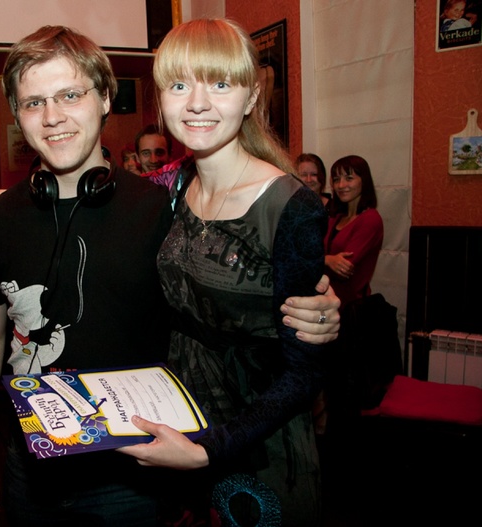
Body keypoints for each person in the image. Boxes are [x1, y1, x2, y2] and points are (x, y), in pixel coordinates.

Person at [0, 24, 340, 526]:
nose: (52, 117)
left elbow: (243, 270)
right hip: (30, 467)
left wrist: (322, 308)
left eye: (70, 95)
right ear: (16, 113)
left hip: (137, 470)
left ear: (105, 98)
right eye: (34, 103)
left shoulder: (162, 206)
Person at [101, 18, 329, 526]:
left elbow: (304, 371)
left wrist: (208, 449)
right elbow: (100, 195)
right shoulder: (173, 186)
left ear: (251, 98)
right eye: (179, 86)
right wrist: (0, 201)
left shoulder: (291, 207)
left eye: (220, 84)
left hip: (257, 445)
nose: (197, 104)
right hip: (179, 426)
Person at [324, 155, 384, 310]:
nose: (341, 185)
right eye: (336, 180)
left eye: (349, 178)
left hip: (350, 309)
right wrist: (327, 260)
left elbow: (344, 268)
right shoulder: (335, 218)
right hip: (326, 305)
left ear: (364, 181)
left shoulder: (370, 219)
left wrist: (319, 260)